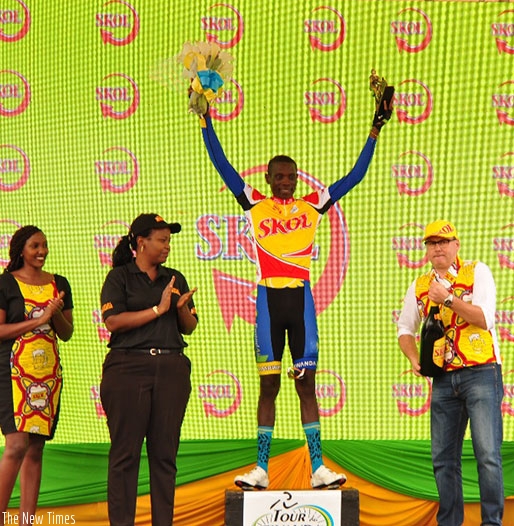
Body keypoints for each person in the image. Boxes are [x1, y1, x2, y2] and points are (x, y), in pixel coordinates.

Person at [198, 92, 392, 491]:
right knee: (268, 385)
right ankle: (261, 469)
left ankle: (318, 467)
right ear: (268, 179)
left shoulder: (312, 205)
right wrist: (205, 120)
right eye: (279, 177)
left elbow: (354, 176)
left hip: (300, 302)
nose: (286, 183)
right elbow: (222, 164)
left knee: (307, 384)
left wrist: (375, 128)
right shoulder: (254, 204)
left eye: (292, 177)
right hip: (269, 302)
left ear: (298, 180)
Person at [397, 220, 504, 526]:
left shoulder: (476, 271)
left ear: (457, 245)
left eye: (444, 242)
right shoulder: (419, 285)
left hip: (481, 372)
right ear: (427, 251)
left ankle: (491, 523)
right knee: (443, 460)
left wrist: (447, 298)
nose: (438, 248)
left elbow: (485, 319)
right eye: (432, 243)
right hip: (443, 379)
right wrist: (415, 358)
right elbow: (405, 328)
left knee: (487, 455)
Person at [99, 214, 198, 526]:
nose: (167, 246)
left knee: (164, 457)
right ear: (141, 242)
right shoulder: (119, 278)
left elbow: (190, 327)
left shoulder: (174, 278)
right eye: (162, 239)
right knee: (125, 455)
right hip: (128, 367)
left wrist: (181, 310)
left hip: (170, 368)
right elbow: (113, 322)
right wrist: (157, 309)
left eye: (169, 240)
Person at [0, 226, 73, 524]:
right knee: (17, 444)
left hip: (47, 374)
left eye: (44, 245)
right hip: (12, 371)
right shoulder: (5, 284)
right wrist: (39, 319)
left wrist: (53, 314)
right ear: (20, 250)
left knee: (36, 447)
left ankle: (26, 521)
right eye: (35, 246)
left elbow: (66, 333)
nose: (42, 251)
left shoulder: (59, 283)